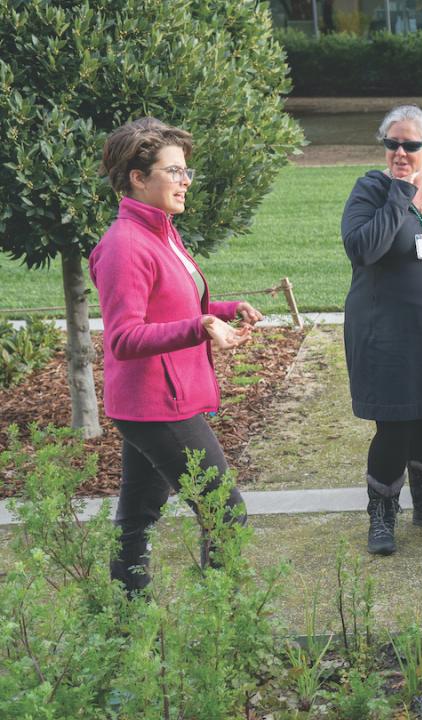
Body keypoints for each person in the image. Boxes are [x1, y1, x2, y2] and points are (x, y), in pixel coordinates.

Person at [90, 117, 260, 595]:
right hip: (155, 404)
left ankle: (126, 613)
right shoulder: (125, 244)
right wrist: (202, 326)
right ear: (138, 178)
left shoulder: (160, 231)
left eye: (186, 172)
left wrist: (223, 309)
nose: (185, 182)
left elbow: (172, 301)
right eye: (173, 172)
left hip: (157, 399)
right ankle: (223, 622)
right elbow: (124, 337)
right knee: (224, 512)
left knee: (138, 513)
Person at [341, 105, 422, 555]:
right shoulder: (371, 190)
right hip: (384, 332)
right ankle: (382, 514)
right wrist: (399, 195)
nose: (400, 151)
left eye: (410, 145)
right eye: (392, 143)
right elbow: (364, 249)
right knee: (394, 425)